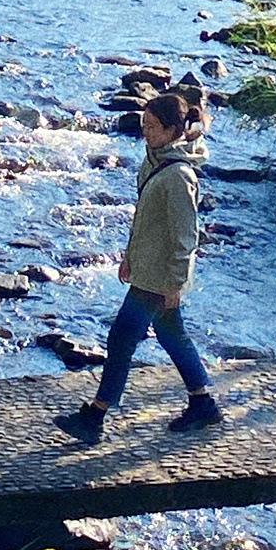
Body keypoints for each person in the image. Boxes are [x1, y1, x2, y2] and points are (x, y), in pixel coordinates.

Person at [55, 89, 222, 443]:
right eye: (143, 124)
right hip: (146, 268)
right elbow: (144, 216)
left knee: (121, 338)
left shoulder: (179, 176)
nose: (144, 131)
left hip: (160, 277)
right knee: (171, 335)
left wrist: (174, 285)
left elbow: (186, 236)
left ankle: (95, 417)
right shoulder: (155, 158)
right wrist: (130, 255)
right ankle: (203, 402)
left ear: (173, 129)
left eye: (151, 126)